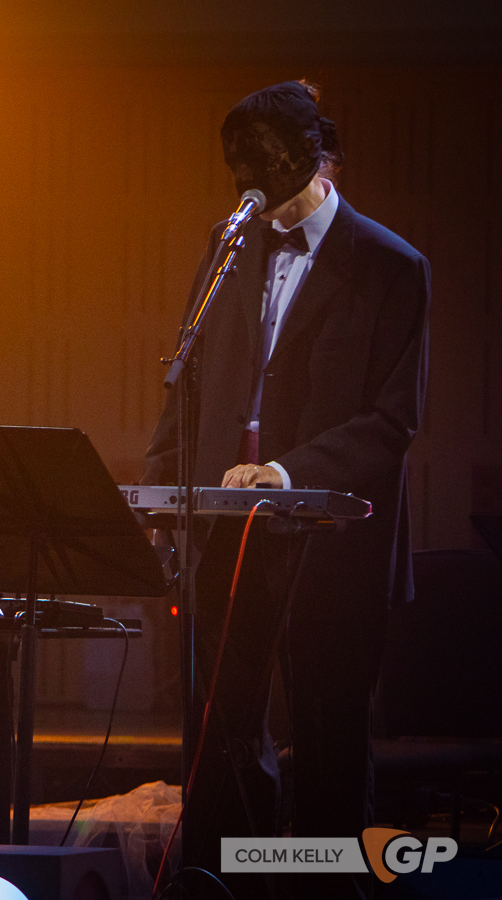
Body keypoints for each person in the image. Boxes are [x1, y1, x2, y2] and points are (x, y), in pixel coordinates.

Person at [143, 82, 429, 900]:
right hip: (226, 531)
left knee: (329, 731)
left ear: (315, 158)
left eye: (268, 173)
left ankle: (328, 889)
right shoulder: (231, 244)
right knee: (221, 730)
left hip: (333, 541)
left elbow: (393, 419)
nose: (254, 194)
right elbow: (191, 375)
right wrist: (159, 489)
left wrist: (289, 471)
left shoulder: (390, 265)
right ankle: (226, 882)